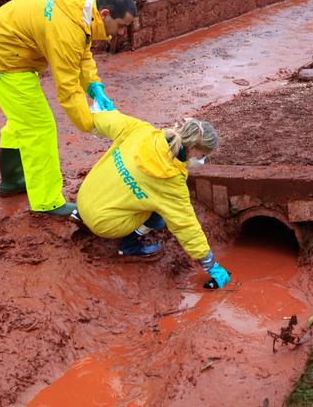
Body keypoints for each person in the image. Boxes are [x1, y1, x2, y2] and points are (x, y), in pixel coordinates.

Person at [0, 0, 136, 217]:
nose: (121, 32)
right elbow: (68, 89)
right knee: (38, 126)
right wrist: (92, 124)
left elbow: (82, 55)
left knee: (22, 118)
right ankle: (47, 201)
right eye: (121, 25)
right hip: (3, 56)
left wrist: (94, 86)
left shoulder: (82, 11)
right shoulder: (67, 29)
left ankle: (12, 180)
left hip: (12, 48)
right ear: (105, 14)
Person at [72, 111, 232, 289]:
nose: (202, 160)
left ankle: (81, 213)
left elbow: (103, 119)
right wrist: (210, 264)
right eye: (202, 155)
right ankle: (130, 245)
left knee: (129, 183)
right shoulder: (170, 182)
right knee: (160, 214)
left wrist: (103, 108)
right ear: (193, 149)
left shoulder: (142, 130)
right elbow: (186, 225)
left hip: (84, 197)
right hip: (103, 223)